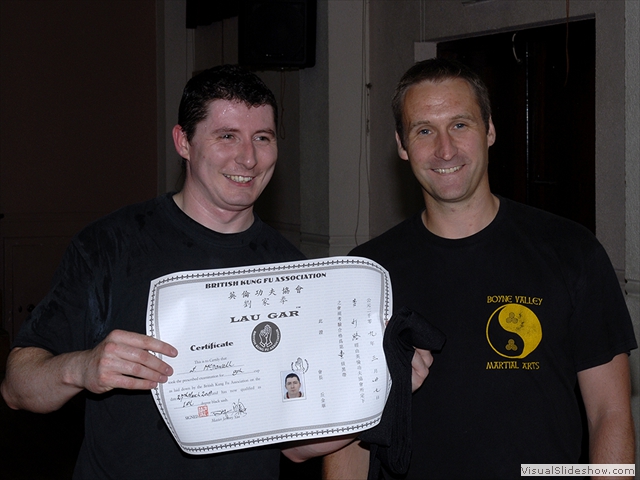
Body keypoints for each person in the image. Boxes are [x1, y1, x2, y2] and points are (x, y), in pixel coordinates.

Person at [1, 65, 432, 479]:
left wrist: (382, 390)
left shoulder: (294, 275)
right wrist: (82, 368)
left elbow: (295, 447)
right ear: (183, 141)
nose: (248, 157)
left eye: (262, 137)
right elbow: (17, 386)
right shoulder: (110, 245)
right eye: (227, 136)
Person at [323, 58, 637, 479]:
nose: (444, 150)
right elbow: (349, 438)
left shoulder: (571, 250)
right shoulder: (364, 275)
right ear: (401, 144)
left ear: (489, 130)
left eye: (460, 125)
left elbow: (610, 413)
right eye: (424, 131)